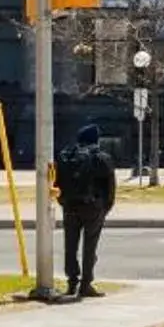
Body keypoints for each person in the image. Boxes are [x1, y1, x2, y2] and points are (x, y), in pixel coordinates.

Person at [57, 121, 118, 298]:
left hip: (69, 206)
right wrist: (105, 207)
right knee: (89, 246)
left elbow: (56, 182)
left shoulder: (66, 156)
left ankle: (71, 282)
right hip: (92, 206)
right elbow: (110, 187)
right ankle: (86, 284)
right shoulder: (101, 157)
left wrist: (63, 201)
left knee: (70, 245)